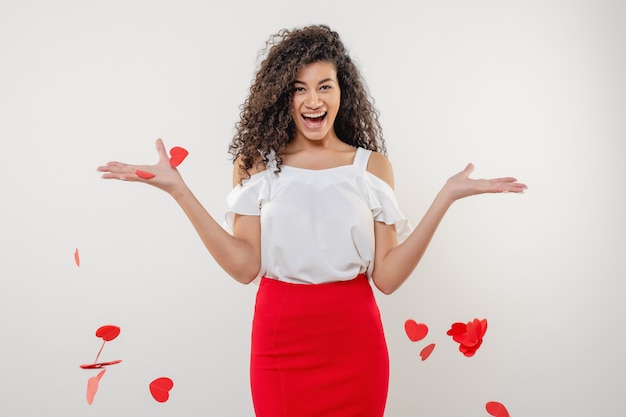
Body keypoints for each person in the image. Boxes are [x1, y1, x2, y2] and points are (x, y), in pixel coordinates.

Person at [97, 24, 526, 417]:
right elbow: (245, 265)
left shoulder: (371, 168)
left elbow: (388, 277)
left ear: (343, 92)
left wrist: (446, 196)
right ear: (282, 96)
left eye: (324, 86)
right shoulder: (256, 166)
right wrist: (179, 191)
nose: (313, 100)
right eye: (299, 89)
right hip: (280, 340)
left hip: (356, 340)